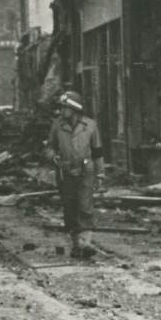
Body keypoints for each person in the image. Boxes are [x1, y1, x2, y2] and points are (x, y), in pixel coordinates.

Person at [47, 91, 104, 259]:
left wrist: (100, 175)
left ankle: (85, 243)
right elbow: (50, 146)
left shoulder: (90, 126)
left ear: (74, 108)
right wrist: (52, 156)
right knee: (70, 206)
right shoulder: (57, 125)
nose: (62, 111)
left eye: (65, 107)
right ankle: (75, 244)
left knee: (85, 206)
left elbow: (98, 151)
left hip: (86, 170)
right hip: (65, 171)